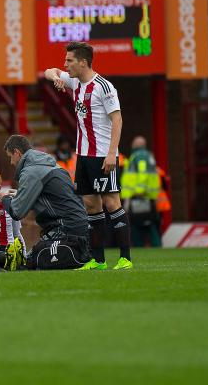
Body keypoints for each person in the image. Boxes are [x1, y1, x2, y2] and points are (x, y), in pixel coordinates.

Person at [43, 42, 132, 270]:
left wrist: (112, 153)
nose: (65, 65)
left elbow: (117, 120)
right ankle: (98, 260)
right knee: (91, 205)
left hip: (103, 155)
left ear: (83, 62)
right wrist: (56, 77)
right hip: (82, 156)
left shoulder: (104, 87)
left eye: (69, 61)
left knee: (112, 203)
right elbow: (48, 71)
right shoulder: (75, 82)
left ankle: (125, 259)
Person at [0, 135, 92, 270]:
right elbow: (48, 199)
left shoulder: (31, 171)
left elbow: (17, 212)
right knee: (28, 260)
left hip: (65, 229)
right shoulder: (53, 165)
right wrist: (19, 195)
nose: (11, 162)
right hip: (80, 229)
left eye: (10, 157)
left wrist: (4, 198)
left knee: (28, 263)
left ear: (17, 152)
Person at [121, 136, 162, 247]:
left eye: (133, 143)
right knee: (148, 221)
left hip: (139, 195)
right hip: (147, 195)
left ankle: (141, 245)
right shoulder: (148, 155)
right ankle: (155, 245)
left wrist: (139, 190)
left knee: (138, 223)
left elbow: (143, 173)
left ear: (137, 144)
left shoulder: (139, 156)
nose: (132, 145)